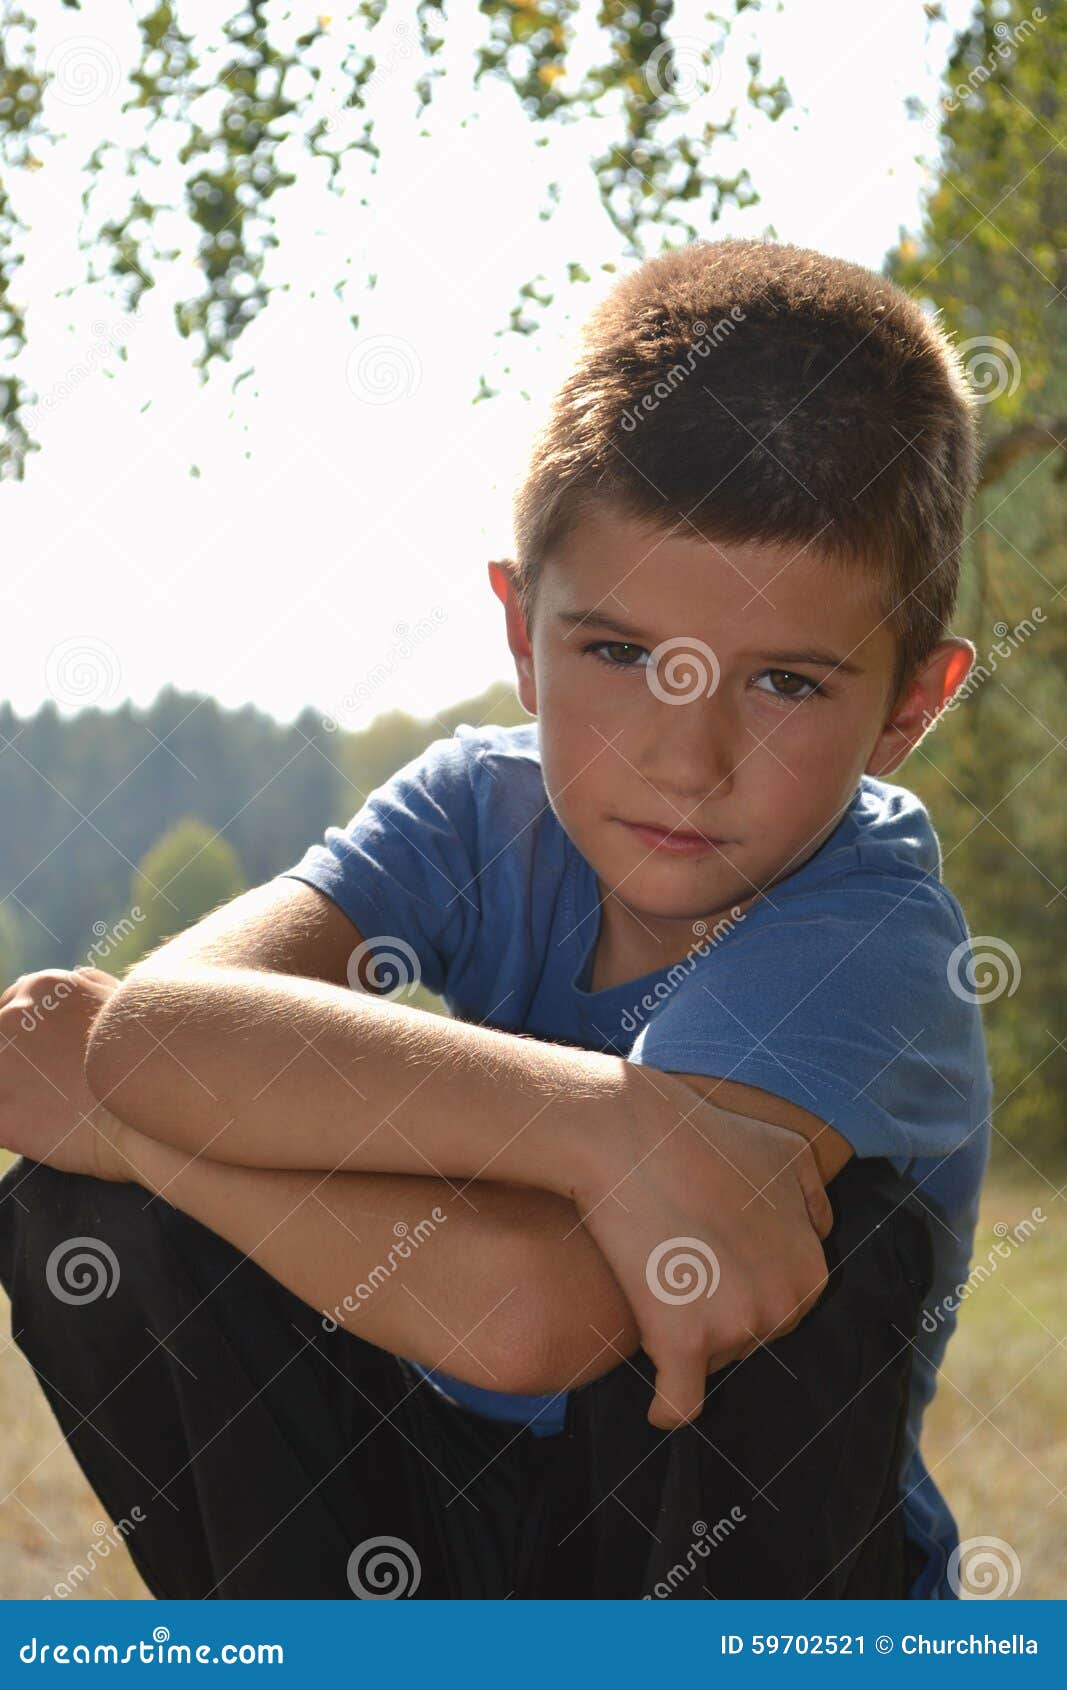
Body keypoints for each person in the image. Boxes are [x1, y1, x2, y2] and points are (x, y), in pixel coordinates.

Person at [0, 237, 991, 1601]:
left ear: (910, 707)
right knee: (83, 1213)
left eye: (786, 684)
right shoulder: (481, 805)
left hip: (707, 1556)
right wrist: (610, 1128)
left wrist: (132, 1112)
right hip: (448, 1514)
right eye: (621, 654)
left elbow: (535, 1317)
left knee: (819, 1241)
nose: (684, 758)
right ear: (520, 632)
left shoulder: (870, 936)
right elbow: (164, 1033)